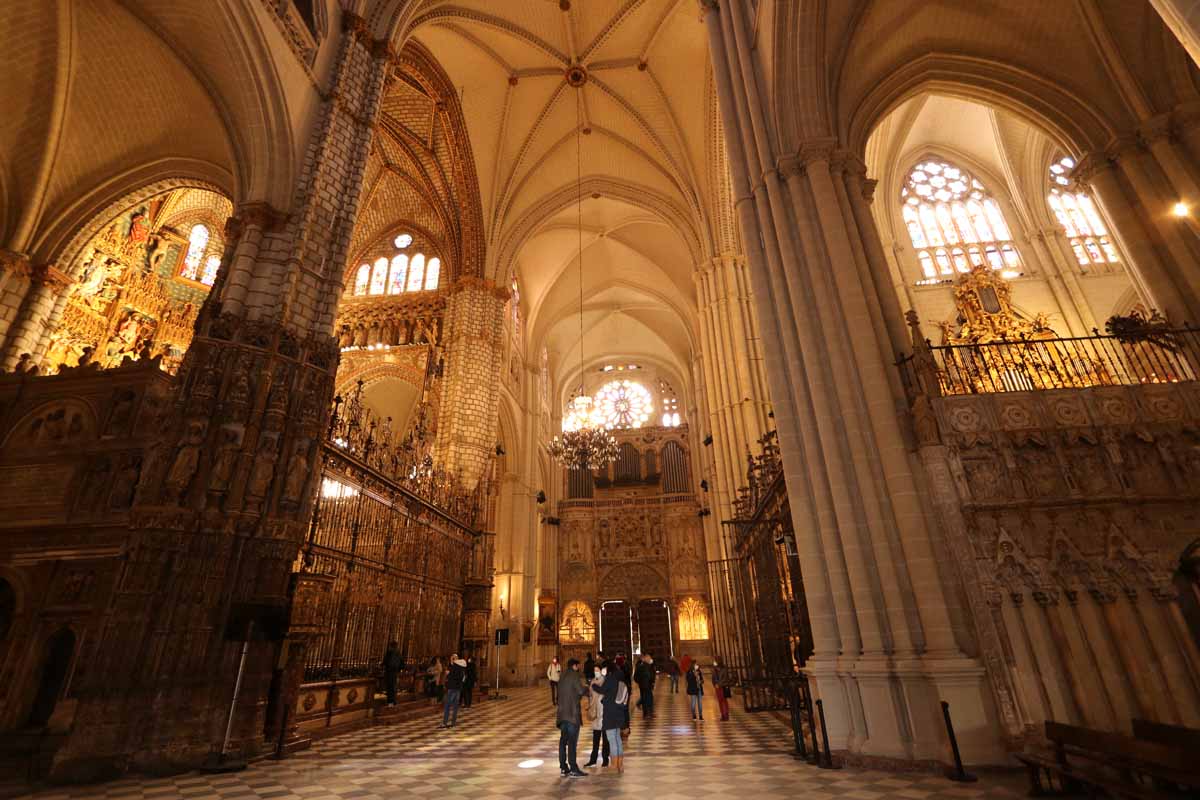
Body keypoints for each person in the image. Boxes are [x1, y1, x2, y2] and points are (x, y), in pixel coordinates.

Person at [555, 658, 588, 778]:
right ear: (574, 666)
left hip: (562, 713)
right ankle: (573, 768)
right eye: (578, 666)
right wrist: (587, 688)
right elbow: (580, 690)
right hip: (572, 714)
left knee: (563, 741)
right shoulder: (574, 675)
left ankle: (563, 767)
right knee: (572, 742)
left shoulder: (562, 675)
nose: (578, 668)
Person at [595, 664, 629, 774]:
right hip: (619, 715)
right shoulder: (622, 683)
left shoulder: (610, 680)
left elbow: (602, 690)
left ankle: (614, 765)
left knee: (612, 740)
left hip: (610, 715)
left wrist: (593, 686)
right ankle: (620, 764)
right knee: (618, 739)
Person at [582, 672, 610, 768]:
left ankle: (605, 759)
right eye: (595, 670)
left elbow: (605, 693)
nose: (596, 672)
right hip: (595, 713)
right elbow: (590, 696)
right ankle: (593, 760)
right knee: (595, 739)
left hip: (604, 713)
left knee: (605, 739)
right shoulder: (593, 682)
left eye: (598, 670)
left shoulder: (606, 681)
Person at [440, 654, 466, 728]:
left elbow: (451, 676)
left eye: (453, 658)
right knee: (455, 706)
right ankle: (453, 723)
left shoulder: (454, 667)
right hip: (458, 689)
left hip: (452, 688)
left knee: (447, 705)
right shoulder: (462, 668)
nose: (452, 660)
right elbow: (463, 678)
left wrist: (448, 674)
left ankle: (444, 723)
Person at [382, 641, 404, 706]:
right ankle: (393, 701)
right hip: (395, 672)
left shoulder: (389, 652)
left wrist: (383, 666)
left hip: (389, 672)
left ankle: (390, 701)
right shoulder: (399, 653)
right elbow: (402, 664)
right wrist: (398, 670)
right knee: (394, 686)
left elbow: (385, 661)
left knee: (389, 687)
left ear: (391, 646)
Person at [633, 654, 655, 718]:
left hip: (647, 685)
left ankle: (649, 713)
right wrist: (641, 682)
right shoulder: (641, 666)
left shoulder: (649, 666)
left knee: (649, 699)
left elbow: (652, 675)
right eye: (649, 658)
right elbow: (635, 677)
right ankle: (647, 714)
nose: (650, 659)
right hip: (645, 686)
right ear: (647, 659)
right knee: (646, 700)